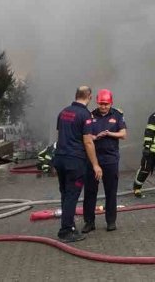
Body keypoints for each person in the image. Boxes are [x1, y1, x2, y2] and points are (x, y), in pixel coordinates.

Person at [53, 86, 102, 243]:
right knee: (72, 195)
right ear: (89, 97)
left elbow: (63, 134)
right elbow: (87, 142)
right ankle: (66, 230)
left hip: (60, 158)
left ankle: (69, 225)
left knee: (66, 194)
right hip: (74, 161)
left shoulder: (63, 112)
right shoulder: (85, 114)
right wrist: (95, 164)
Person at [83, 88, 127, 232]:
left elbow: (123, 134)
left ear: (111, 103)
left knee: (111, 191)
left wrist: (109, 133)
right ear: (97, 102)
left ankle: (111, 222)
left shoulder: (118, 115)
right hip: (93, 158)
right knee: (90, 192)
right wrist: (95, 137)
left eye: (106, 104)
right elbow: (85, 136)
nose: (103, 107)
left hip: (110, 159)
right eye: (101, 104)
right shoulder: (89, 115)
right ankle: (89, 222)